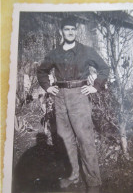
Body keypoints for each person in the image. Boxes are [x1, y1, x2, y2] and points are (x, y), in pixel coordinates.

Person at [37, 16, 109, 193]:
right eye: (67, 29)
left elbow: (104, 68)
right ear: (61, 31)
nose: (70, 32)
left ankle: (93, 182)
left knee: (85, 139)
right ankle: (73, 176)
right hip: (60, 97)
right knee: (65, 138)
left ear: (76, 31)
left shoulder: (86, 51)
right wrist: (48, 87)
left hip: (79, 95)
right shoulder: (54, 53)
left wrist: (95, 87)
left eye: (73, 29)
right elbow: (42, 71)